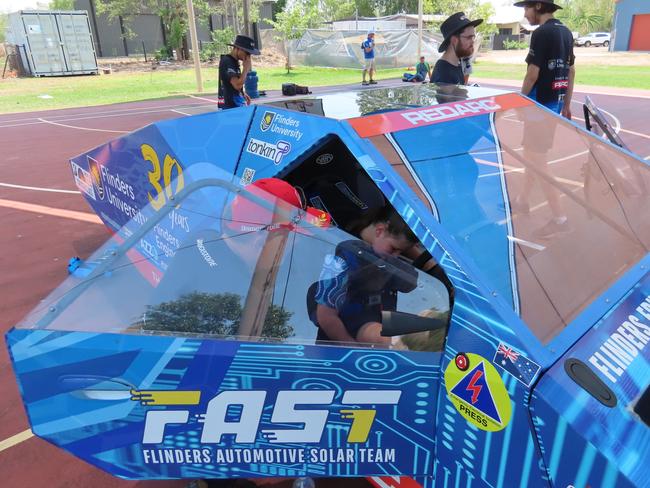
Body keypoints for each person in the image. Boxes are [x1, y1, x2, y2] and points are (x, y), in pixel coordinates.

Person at [310, 207, 420, 346]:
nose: (396, 257)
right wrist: (350, 346)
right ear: (379, 230)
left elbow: (411, 283)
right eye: (393, 249)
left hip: (375, 329)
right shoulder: (346, 254)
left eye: (401, 252)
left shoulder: (384, 255)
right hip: (340, 340)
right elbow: (325, 314)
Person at [514, 0, 575, 119]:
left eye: (526, 9)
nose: (525, 15)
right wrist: (566, 105)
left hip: (538, 102)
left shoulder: (540, 33)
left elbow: (532, 75)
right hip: (557, 101)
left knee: (531, 137)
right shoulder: (567, 32)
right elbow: (571, 71)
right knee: (548, 137)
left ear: (538, 6)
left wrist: (520, 102)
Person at [431, 12, 482, 85]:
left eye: (473, 37)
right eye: (469, 37)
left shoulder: (456, 65)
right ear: (454, 40)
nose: (472, 41)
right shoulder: (444, 73)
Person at [218, 34, 260, 110]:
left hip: (236, 103)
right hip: (231, 108)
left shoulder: (234, 62)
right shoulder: (227, 61)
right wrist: (246, 68)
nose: (248, 56)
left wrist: (242, 93)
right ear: (238, 49)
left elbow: (234, 84)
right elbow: (237, 85)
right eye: (247, 53)